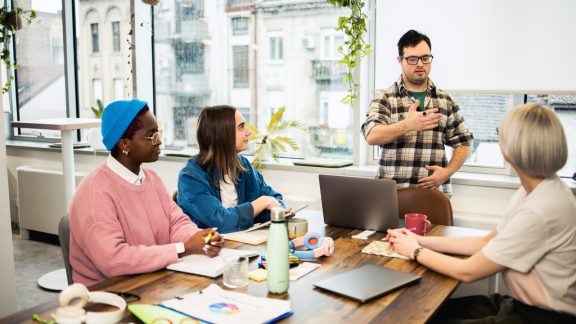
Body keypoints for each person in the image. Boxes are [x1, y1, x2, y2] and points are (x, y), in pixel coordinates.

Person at [387, 104, 576, 323]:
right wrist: (420, 241)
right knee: (427, 311)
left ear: (511, 149)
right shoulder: (537, 189)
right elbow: (487, 242)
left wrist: (416, 251)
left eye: (500, 135)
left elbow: (467, 272)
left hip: (542, 316)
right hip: (518, 303)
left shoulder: (540, 209)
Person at [69, 99, 223, 286]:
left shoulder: (151, 178)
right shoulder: (94, 193)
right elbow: (114, 260)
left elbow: (175, 222)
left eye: (159, 133)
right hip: (109, 294)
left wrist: (201, 239)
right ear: (125, 145)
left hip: (153, 279)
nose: (160, 142)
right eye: (152, 136)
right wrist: (184, 248)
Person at [361, 29, 473, 196]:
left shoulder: (445, 100)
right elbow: (372, 136)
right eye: (412, 59)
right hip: (391, 196)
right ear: (399, 60)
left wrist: (447, 172)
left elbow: (463, 142)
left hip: (433, 196)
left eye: (425, 58)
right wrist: (407, 125)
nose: (420, 64)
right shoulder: (385, 97)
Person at [177, 105, 291, 234]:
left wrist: (276, 210)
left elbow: (274, 197)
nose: (249, 132)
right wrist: (264, 202)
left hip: (239, 243)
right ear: (221, 134)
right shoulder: (190, 177)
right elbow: (221, 222)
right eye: (241, 127)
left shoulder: (243, 165)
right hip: (208, 248)